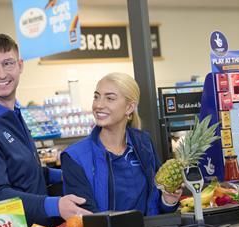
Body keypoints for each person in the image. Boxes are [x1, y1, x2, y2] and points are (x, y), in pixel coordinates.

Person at [0, 33, 91, 227]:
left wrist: (69, 174)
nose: (1, 74)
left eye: (8, 63)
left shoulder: (13, 113)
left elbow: (25, 173)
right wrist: (54, 205)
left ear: (20, 65)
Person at [61, 72, 181, 215]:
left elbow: (156, 206)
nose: (99, 105)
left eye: (110, 98)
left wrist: (168, 200)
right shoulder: (75, 157)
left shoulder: (144, 144)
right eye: (96, 97)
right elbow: (86, 218)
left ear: (129, 107)